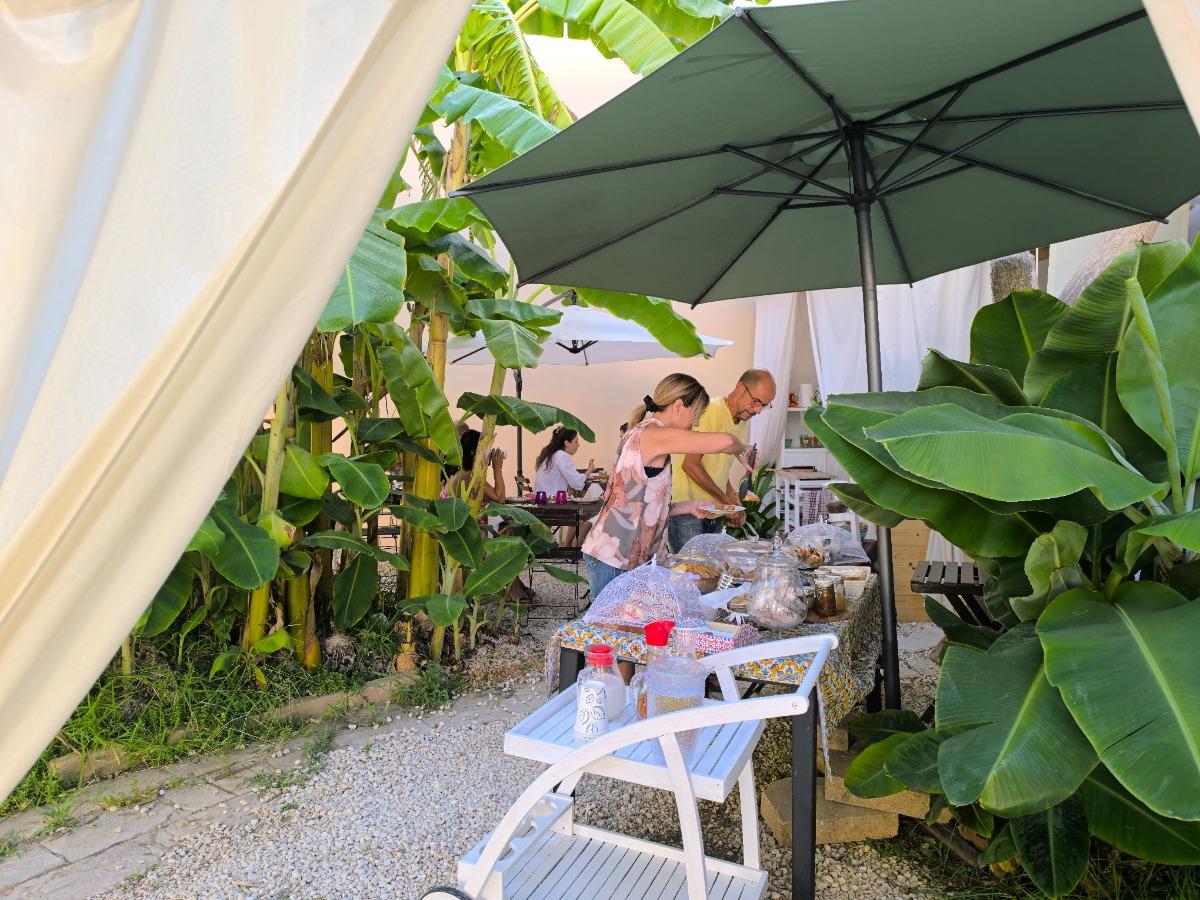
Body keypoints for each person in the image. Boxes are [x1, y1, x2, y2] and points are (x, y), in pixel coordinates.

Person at [581, 373, 747, 601]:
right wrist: (743, 450)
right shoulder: (653, 434)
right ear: (678, 406)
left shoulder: (647, 433)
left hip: (623, 556)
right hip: (614, 557)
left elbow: (642, 503)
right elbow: (726, 441)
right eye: (696, 415)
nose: (696, 424)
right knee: (610, 623)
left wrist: (689, 507)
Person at [668, 369, 776, 553]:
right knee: (690, 569)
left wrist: (733, 499)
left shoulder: (742, 420)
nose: (758, 410)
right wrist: (726, 501)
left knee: (712, 568)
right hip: (686, 511)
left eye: (764, 405)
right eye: (756, 401)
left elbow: (717, 469)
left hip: (713, 511)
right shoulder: (713, 409)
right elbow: (690, 465)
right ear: (740, 388)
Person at [533, 427, 595, 546]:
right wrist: (589, 471)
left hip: (541, 502)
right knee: (590, 511)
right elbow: (576, 483)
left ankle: (568, 546)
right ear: (566, 442)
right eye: (576, 441)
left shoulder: (549, 455)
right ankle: (575, 548)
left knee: (579, 509)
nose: (578, 445)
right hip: (552, 506)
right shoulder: (562, 456)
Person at [443, 429, 506, 504]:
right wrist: (497, 467)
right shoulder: (470, 477)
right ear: (473, 453)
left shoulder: (459, 472)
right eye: (484, 450)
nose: (487, 453)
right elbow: (500, 499)